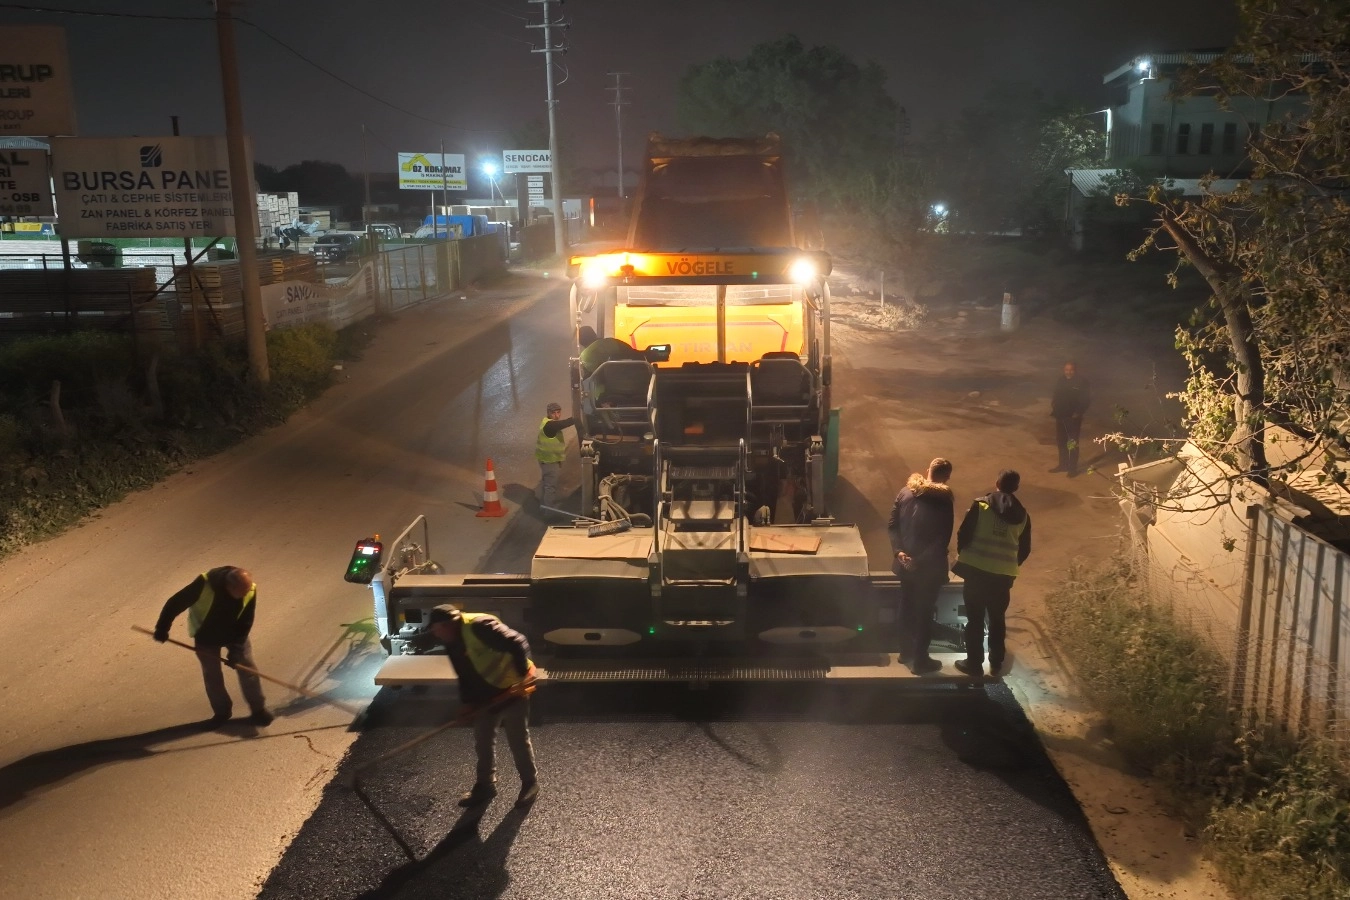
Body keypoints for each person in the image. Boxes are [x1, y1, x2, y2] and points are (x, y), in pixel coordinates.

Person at [420, 604, 539, 808]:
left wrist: (522, 677)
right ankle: (485, 786)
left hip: (513, 689)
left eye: (436, 629)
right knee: (483, 740)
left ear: (448, 625)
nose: (435, 634)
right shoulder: (451, 642)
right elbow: (464, 675)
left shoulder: (480, 626)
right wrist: (468, 704)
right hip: (486, 697)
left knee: (518, 739)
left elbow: (518, 642)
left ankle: (530, 783)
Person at [154, 566, 273, 727]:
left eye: (247, 590)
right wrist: (162, 628)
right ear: (229, 587)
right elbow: (175, 603)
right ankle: (222, 712)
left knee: (248, 669)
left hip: (235, 635)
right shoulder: (204, 584)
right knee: (212, 674)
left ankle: (258, 710)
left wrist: (236, 651)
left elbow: (246, 621)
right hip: (206, 637)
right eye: (242, 592)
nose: (246, 593)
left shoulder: (249, 588)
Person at [952, 470, 1032, 677]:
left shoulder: (981, 506)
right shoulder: (1023, 515)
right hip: (1002, 577)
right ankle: (996, 664)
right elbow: (1025, 549)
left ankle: (974, 664)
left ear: (997, 483)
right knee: (997, 619)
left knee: (975, 619)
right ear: (1016, 488)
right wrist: (1009, 565)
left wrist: (966, 556)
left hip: (976, 572)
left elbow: (963, 533)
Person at [887, 457, 955, 674]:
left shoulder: (905, 492)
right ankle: (920, 661)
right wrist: (918, 560)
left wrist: (900, 552)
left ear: (928, 471)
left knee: (905, 607)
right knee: (924, 612)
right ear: (946, 477)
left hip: (904, 565)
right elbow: (942, 538)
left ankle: (905, 652)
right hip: (929, 569)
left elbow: (892, 525)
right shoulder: (943, 500)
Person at [1050, 360, 1091, 476]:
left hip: (1073, 418)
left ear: (1075, 370)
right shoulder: (1061, 380)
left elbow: (1086, 400)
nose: (1069, 372)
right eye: (1066, 370)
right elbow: (1056, 394)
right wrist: (1054, 403)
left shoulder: (1082, 382)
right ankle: (1063, 465)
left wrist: (1078, 412)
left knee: (1072, 442)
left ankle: (1072, 469)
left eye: (1071, 370)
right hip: (1060, 415)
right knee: (1061, 441)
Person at [536, 401, 576, 510]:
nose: (557, 415)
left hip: (546, 459)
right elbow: (562, 424)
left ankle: (544, 505)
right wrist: (576, 418)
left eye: (558, 412)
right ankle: (549, 512)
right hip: (550, 461)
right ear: (548, 413)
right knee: (550, 487)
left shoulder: (547, 422)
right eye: (554, 413)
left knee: (547, 484)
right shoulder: (549, 425)